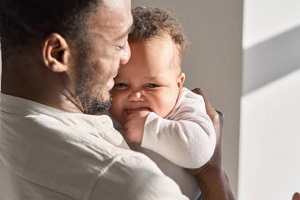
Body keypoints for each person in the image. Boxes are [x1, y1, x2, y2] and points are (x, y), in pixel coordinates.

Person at [0, 0, 235, 199]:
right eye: (119, 43)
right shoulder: (137, 186)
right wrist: (211, 174)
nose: (126, 57)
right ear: (58, 54)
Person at [107, 7, 215, 200]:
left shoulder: (185, 104)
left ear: (178, 84)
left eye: (151, 85)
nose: (136, 95)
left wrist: (149, 128)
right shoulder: (105, 112)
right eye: (122, 84)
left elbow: (199, 152)